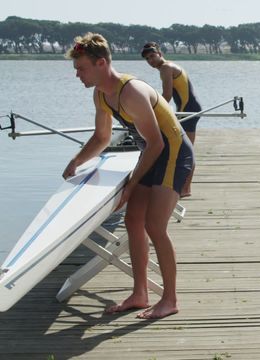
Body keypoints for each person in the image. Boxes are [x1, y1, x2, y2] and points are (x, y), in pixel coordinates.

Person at [63, 33, 194, 319]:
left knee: (155, 225)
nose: (77, 74)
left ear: (101, 63)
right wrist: (76, 161)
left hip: (173, 153)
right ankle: (140, 293)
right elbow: (101, 137)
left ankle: (170, 299)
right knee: (133, 220)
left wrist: (131, 184)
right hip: (153, 152)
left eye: (81, 68)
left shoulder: (131, 92)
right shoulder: (100, 94)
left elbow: (158, 143)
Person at [141, 42, 202, 198]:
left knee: (186, 150)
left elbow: (166, 95)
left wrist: (153, 112)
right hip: (189, 108)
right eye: (147, 59)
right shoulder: (170, 66)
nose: (150, 61)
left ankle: (185, 188)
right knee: (185, 148)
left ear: (160, 53)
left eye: (152, 56)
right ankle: (183, 186)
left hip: (188, 110)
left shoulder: (166, 68)